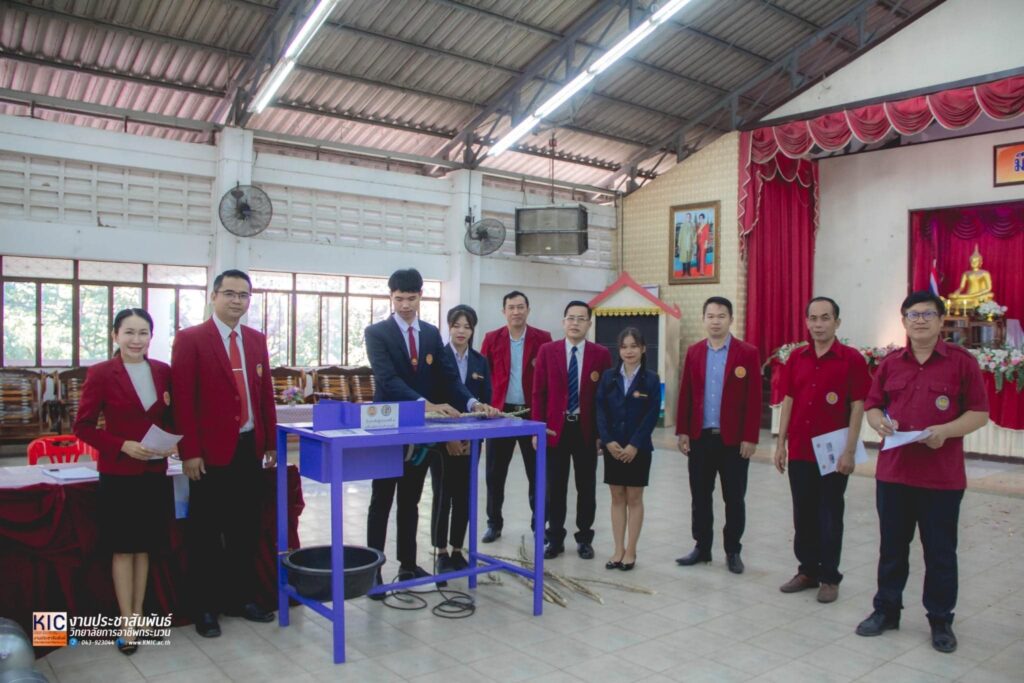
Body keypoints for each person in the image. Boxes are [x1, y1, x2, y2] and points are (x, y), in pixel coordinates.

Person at [856, 291, 988, 654]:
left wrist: (945, 431)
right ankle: (886, 611)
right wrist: (878, 422)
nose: (920, 321)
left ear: (941, 320)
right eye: (913, 315)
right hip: (894, 475)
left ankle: (940, 619)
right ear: (903, 321)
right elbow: (872, 405)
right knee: (892, 548)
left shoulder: (961, 363)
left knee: (940, 553)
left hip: (941, 479)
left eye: (928, 314)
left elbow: (979, 413)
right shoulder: (890, 364)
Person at [364, 268, 495, 591]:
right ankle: (373, 571)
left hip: (420, 434)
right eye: (399, 299)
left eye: (411, 298)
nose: (405, 305)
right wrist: (426, 404)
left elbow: (448, 378)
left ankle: (408, 565)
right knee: (382, 500)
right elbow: (387, 379)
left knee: (410, 499)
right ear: (390, 297)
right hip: (387, 427)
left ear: (421, 296)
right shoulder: (377, 332)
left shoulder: (431, 333)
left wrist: (472, 403)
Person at [172, 269, 277, 638]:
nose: (237, 301)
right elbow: (182, 400)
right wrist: (189, 451)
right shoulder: (191, 339)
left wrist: (270, 442)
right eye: (229, 293)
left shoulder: (256, 340)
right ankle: (205, 607)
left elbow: (264, 395)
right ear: (214, 296)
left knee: (244, 529)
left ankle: (241, 598)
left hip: (249, 447)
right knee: (205, 533)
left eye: (243, 295)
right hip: (209, 453)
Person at [74, 308, 175, 655]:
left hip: (153, 473)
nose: (136, 340)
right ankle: (125, 621)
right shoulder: (102, 373)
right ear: (115, 335)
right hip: (119, 474)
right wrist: (122, 445)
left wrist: (173, 442)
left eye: (143, 333)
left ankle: (140, 613)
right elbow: (83, 426)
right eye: (129, 332)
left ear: (151, 337)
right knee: (122, 547)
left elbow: (170, 417)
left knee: (143, 546)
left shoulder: (162, 371)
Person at [773, 297, 870, 603]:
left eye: (825, 318)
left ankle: (829, 576)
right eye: (813, 318)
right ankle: (807, 571)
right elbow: (789, 400)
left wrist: (850, 451)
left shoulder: (851, 359)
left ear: (837, 322)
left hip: (833, 453)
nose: (818, 324)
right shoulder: (797, 358)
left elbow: (858, 406)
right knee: (802, 513)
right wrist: (780, 443)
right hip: (801, 449)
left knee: (829, 514)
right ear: (806, 322)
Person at [675, 296, 760, 574]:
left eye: (721, 316)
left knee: (734, 498)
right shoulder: (694, 352)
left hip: (734, 441)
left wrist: (750, 437)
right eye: (710, 316)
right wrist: (683, 430)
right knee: (700, 496)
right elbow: (686, 392)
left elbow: (754, 398)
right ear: (703, 319)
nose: (715, 321)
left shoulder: (747, 353)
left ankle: (733, 550)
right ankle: (702, 547)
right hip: (700, 438)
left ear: (731, 319)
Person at [533, 301, 612, 560]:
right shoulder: (547, 351)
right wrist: (537, 429)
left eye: (581, 318)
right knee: (554, 487)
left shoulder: (601, 354)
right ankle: (554, 538)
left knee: (586, 487)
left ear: (589, 323)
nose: (575, 323)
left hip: (586, 430)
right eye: (571, 318)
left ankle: (585, 538)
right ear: (563, 321)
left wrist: (602, 434)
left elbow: (605, 398)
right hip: (555, 430)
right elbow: (538, 393)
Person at [479, 291, 552, 543]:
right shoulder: (491, 339)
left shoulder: (543, 339)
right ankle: (493, 523)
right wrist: (485, 408)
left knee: (537, 473)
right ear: (504, 311)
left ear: (528, 310)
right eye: (511, 307)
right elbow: (483, 376)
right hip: (500, 414)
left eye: (521, 307)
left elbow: (548, 379)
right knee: (494, 473)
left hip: (532, 414)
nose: (516, 312)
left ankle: (539, 525)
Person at [431, 305, 491, 576]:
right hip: (442, 439)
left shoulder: (480, 361)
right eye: (456, 325)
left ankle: (457, 549)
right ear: (449, 327)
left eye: (467, 326)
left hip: (471, 441)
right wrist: (448, 438)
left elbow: (485, 399)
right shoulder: (439, 358)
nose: (461, 331)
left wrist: (472, 438)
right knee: (443, 495)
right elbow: (435, 399)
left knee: (464, 495)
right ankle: (441, 551)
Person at [595, 327, 660, 571]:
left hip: (638, 449)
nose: (629, 351)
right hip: (613, 447)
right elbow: (600, 409)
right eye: (624, 347)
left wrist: (634, 445)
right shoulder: (608, 377)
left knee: (634, 498)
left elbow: (651, 415)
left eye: (634, 346)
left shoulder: (651, 379)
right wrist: (607, 440)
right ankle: (617, 549)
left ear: (643, 349)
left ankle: (631, 550)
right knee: (616, 497)